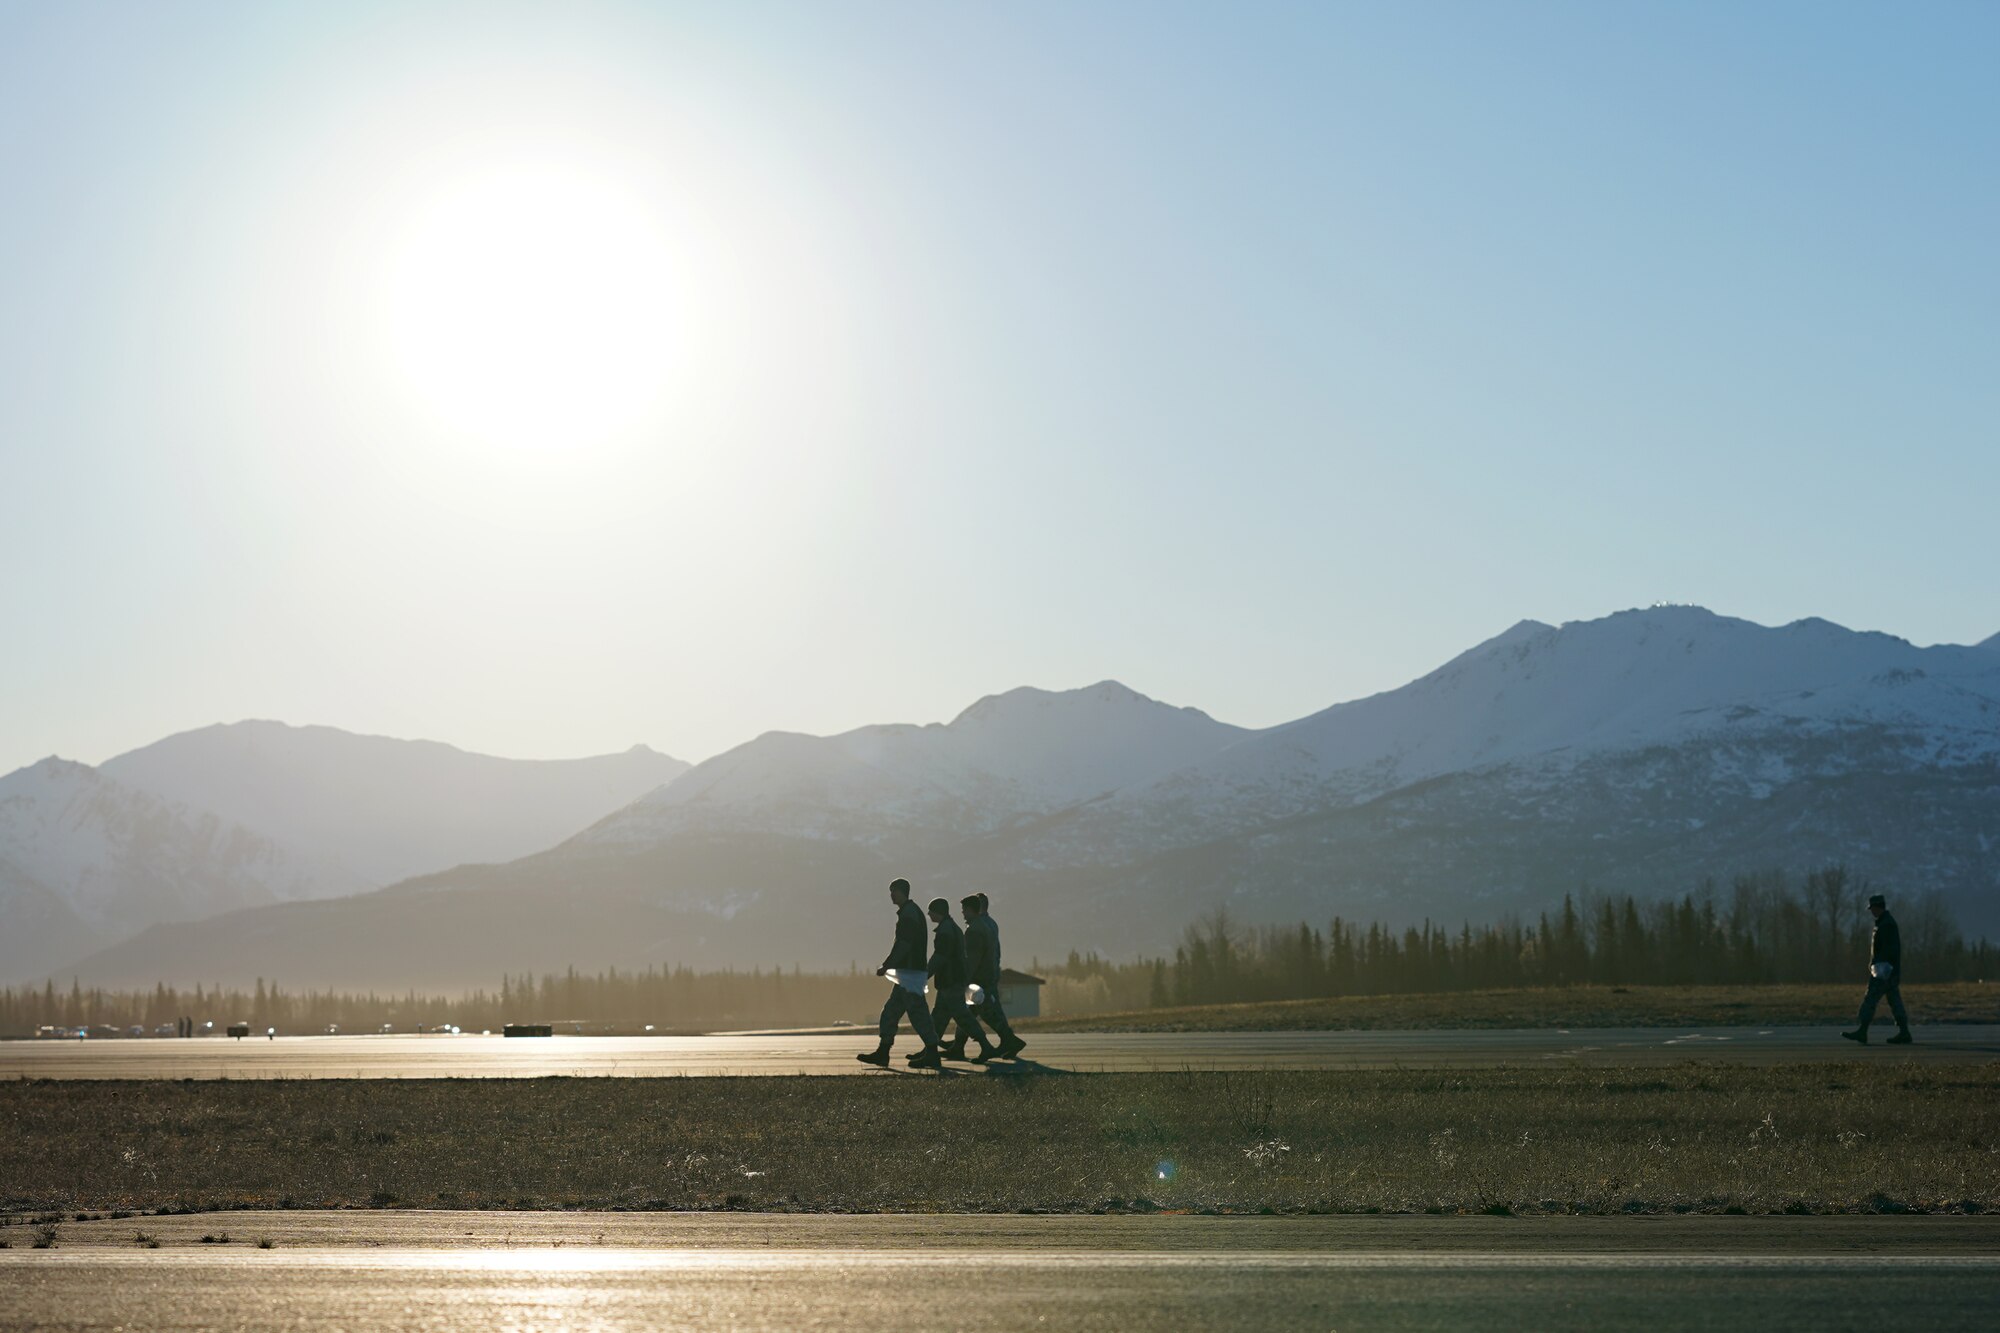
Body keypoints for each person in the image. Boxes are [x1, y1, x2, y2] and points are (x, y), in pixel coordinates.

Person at [858, 878, 942, 1068]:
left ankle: (931, 1053)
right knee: (891, 1012)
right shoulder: (910, 912)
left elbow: (904, 944)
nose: (891, 895)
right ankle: (883, 1051)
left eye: (893, 891)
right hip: (907, 974)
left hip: (910, 975)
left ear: (902, 892)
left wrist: (887, 965)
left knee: (918, 1015)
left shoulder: (909, 915)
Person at [921, 897, 990, 1063]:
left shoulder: (945, 932)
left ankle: (986, 1046)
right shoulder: (952, 928)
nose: (929, 914)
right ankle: (929, 1051)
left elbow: (939, 957)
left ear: (938, 912)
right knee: (938, 1018)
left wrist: (924, 976)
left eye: (931, 911)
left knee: (962, 1017)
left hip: (951, 982)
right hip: (950, 981)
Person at [962, 892, 1026, 1061]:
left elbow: (973, 958)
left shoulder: (975, 929)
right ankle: (960, 1045)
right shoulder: (991, 924)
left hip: (980, 978)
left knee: (985, 1012)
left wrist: (965, 978)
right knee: (976, 1011)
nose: (963, 913)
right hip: (990, 974)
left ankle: (1008, 1040)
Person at [1843, 892, 1912, 1045]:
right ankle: (1904, 1032)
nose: (1872, 911)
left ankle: (1862, 1031)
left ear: (1878, 907)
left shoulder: (1885, 924)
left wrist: (1878, 967)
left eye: (1873, 908)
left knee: (1870, 1000)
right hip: (1890, 971)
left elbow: (1887, 950)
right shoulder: (1885, 922)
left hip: (1884, 971)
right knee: (1895, 1001)